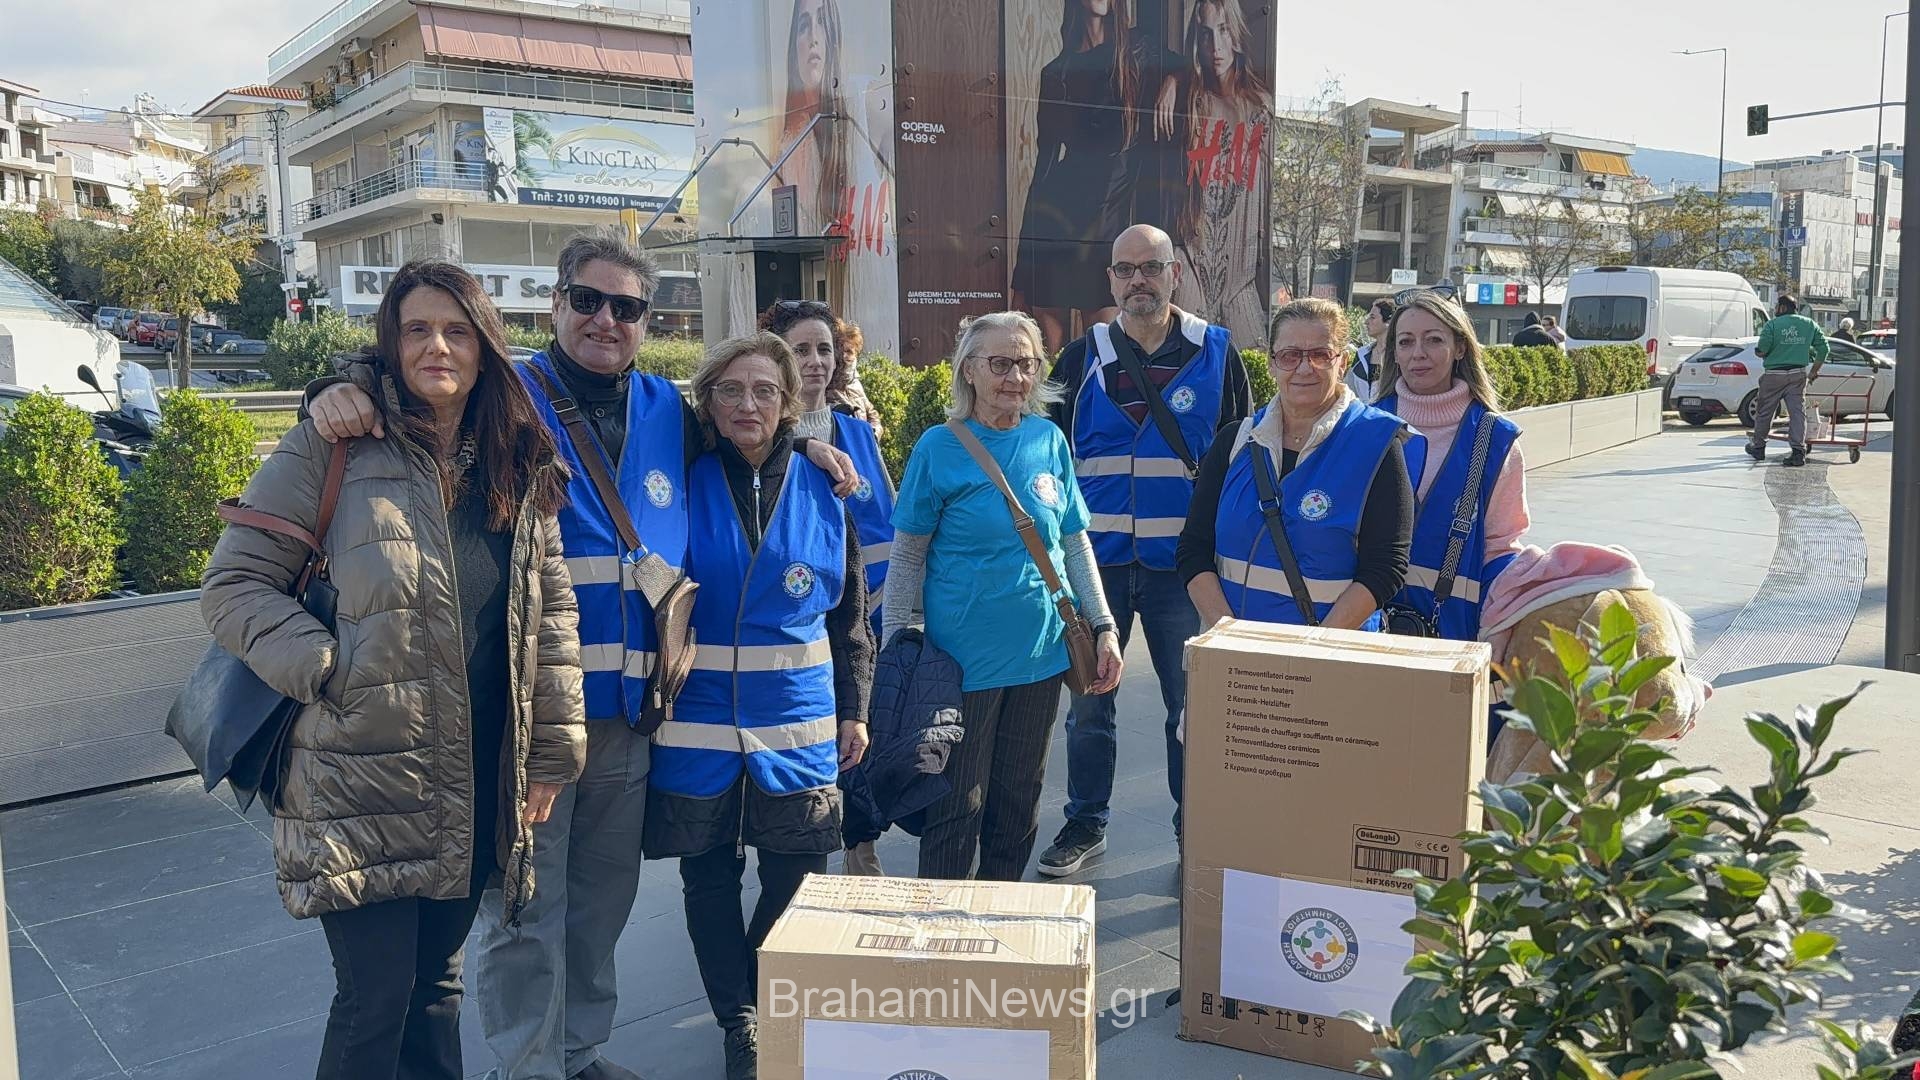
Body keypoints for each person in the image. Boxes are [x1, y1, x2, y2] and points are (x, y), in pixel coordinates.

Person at [304, 228, 856, 1080]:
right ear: (556, 304)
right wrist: (336, 385)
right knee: (527, 907)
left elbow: (752, 430)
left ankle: (578, 1050)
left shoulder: (669, 409)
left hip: (631, 718)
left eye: (627, 307)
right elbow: (412, 372)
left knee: (603, 903)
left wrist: (813, 442)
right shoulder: (505, 391)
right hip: (526, 712)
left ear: (647, 320)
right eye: (589, 301)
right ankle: (529, 1066)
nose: (607, 320)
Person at [201, 260, 586, 1080]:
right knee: (374, 1000)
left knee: (437, 986)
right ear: (391, 342)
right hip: (360, 773)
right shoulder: (334, 443)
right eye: (417, 329)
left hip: (475, 773)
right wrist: (328, 667)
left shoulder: (517, 460)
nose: (436, 347)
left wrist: (553, 752)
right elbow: (233, 585)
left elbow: (550, 614)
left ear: (484, 347)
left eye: (456, 331)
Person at [646, 332, 873, 1080]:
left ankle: (760, 992)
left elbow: (851, 618)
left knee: (797, 878)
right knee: (708, 878)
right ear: (708, 401)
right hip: (698, 722)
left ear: (789, 403)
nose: (748, 404)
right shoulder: (682, 476)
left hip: (798, 720)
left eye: (766, 391)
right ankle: (738, 1019)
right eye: (731, 390)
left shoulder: (824, 485)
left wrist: (856, 707)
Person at [1037, 222, 1250, 877]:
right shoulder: (1081, 358)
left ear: (1174, 275)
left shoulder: (1217, 353)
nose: (1138, 281)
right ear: (1110, 279)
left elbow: (1241, 462)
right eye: (1125, 269)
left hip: (1183, 572)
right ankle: (1086, 823)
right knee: (1088, 706)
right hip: (1094, 566)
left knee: (1190, 710)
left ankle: (1195, 833)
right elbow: (1046, 459)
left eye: (1151, 268)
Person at [886, 311, 1125, 881]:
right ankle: (942, 921)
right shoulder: (939, 448)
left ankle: (1002, 910)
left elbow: (1073, 542)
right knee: (956, 804)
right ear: (968, 370)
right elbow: (907, 555)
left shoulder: (1048, 439)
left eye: (1027, 363)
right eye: (1000, 363)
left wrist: (1104, 625)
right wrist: (896, 646)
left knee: (1018, 800)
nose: (1016, 377)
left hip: (1042, 654)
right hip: (960, 663)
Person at [1178, 298, 1415, 629]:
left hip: (1333, 652)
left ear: (1342, 362)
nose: (1305, 368)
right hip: (1233, 649)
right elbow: (1193, 549)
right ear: (1271, 364)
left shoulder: (1378, 445)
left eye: (1320, 355)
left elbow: (1386, 567)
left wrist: (1312, 648)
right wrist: (1228, 634)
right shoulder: (1234, 442)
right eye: (1290, 356)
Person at [1371, 290, 1530, 643]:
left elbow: (1501, 547)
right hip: (1363, 629)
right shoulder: (1366, 426)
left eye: (1434, 340)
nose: (1418, 353)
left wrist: (1497, 637)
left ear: (1460, 347)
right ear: (1393, 351)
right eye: (1405, 342)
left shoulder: (1496, 439)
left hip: (1456, 634)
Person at [1012, 0, 1142, 350]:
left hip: (1105, 231)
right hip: (1056, 224)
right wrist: (1022, 272)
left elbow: (1185, 63)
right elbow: (1043, 169)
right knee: (1049, 358)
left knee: (1104, 354)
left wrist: (1175, 81)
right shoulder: (1056, 72)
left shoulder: (1133, 59)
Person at [1163, 0, 1272, 346]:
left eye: (1223, 30)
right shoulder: (1190, 100)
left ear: (1236, 34)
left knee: (1251, 365)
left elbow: (1264, 195)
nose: (1216, 47)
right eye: (1206, 34)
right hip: (1191, 257)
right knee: (1185, 360)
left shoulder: (1259, 107)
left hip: (1240, 267)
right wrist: (1174, 78)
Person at [777, 0, 850, 233]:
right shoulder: (792, 145)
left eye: (822, 21)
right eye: (804, 26)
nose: (813, 38)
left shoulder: (857, 110)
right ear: (793, 49)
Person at [1748, 295, 1829, 468]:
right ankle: (1798, 452)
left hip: (1774, 375)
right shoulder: (1809, 324)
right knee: (1797, 413)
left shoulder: (1772, 325)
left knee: (1765, 412)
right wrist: (1814, 371)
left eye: (1778, 306)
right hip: (1798, 375)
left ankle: (1759, 447)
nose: (1776, 309)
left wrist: (1762, 352)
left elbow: (1762, 349)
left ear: (1783, 307)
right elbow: (1824, 348)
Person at [1346, 298, 1392, 400]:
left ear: (1389, 321)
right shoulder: (1361, 354)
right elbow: (1349, 389)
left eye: (1372, 317)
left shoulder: (1400, 356)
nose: (1366, 322)